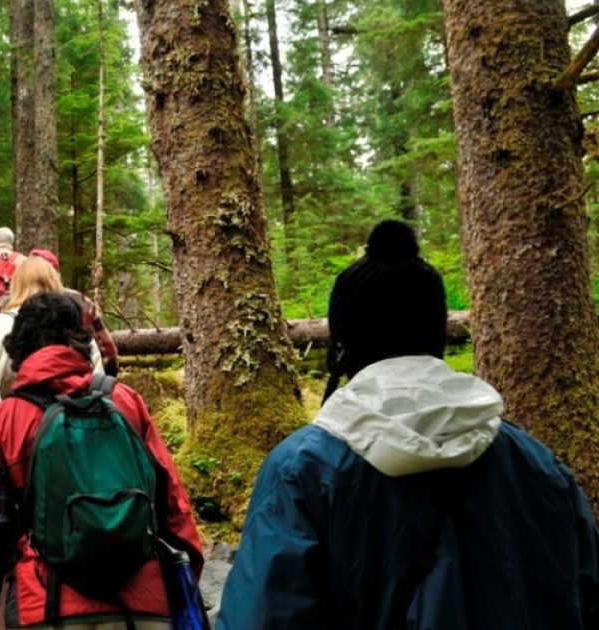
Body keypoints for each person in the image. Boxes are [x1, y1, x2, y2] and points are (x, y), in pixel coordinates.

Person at [217, 220, 599, 630]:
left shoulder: (303, 469)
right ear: (437, 333)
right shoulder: (537, 465)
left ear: (346, 345)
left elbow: (260, 617)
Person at [0, 292, 204, 630]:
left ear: (17, 348)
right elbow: (175, 510)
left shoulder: (5, 421)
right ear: (84, 343)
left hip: (45, 608)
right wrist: (181, 584)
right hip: (144, 607)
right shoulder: (126, 402)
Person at [0, 256, 104, 469]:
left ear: (15, 286)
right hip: (74, 433)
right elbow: (97, 387)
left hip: (4, 434)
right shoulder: (77, 329)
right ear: (56, 284)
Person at [26, 248, 120, 376]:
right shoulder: (80, 301)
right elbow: (108, 350)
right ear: (56, 274)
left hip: (29, 384)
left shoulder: (11, 303)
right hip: (78, 383)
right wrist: (107, 381)